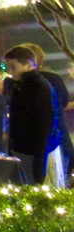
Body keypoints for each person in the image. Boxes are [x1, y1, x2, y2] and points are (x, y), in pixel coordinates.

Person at [2, 45, 56, 184]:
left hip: (31, 150)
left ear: (29, 65)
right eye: (8, 67)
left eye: (13, 67)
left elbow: (44, 124)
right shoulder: (18, 85)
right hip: (21, 147)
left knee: (28, 185)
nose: (10, 71)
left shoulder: (38, 87)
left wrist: (39, 159)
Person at [22, 43, 73, 180]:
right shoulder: (53, 78)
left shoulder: (23, 82)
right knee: (61, 179)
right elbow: (64, 101)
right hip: (59, 136)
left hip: (35, 141)